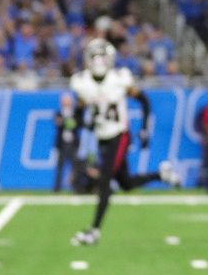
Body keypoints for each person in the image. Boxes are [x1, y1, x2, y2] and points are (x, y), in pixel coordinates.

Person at [69, 38, 178, 246]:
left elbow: (144, 99)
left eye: (102, 57)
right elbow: (80, 109)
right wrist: (81, 122)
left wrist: (145, 128)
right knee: (125, 183)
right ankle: (161, 174)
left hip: (119, 135)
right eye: (95, 57)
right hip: (102, 137)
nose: (99, 61)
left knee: (104, 181)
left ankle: (93, 231)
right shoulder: (82, 83)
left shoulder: (119, 78)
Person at [52, 92, 84, 192]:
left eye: (68, 101)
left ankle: (76, 187)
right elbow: (58, 124)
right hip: (62, 144)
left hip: (73, 144)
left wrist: (69, 122)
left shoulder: (75, 113)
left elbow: (79, 123)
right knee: (59, 167)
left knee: (75, 166)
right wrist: (67, 122)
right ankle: (57, 189)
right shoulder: (58, 113)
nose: (66, 103)